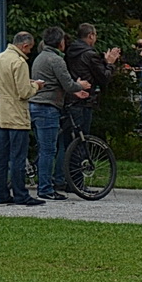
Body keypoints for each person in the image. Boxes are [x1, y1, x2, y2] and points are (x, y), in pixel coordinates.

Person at [29, 28, 91, 201]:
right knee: (49, 150)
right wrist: (81, 86)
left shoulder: (40, 57)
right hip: (47, 107)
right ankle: (45, 188)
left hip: (36, 105)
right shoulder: (56, 60)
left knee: (44, 148)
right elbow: (68, 84)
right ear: (60, 42)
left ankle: (44, 182)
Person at [0, 32, 44, 206]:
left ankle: (1, 194)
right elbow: (24, 92)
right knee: (18, 157)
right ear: (24, 45)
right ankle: (21, 194)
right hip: (17, 116)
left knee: (2, 157)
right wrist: (36, 85)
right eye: (30, 48)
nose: (29, 52)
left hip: (0, 114)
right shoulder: (19, 63)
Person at [65, 23, 120, 141]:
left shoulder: (70, 52)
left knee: (69, 141)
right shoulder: (90, 55)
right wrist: (110, 64)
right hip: (85, 99)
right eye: (95, 35)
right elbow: (104, 77)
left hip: (71, 97)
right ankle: (80, 159)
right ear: (90, 36)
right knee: (82, 139)